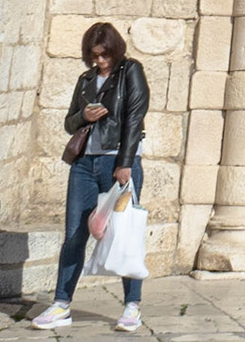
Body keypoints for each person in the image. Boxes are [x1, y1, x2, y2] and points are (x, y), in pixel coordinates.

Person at [32, 22, 150, 331]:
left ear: (115, 50)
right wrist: (84, 116)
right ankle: (61, 305)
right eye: (94, 55)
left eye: (104, 55)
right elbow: (69, 123)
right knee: (74, 234)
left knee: (125, 233)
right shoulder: (85, 80)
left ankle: (131, 307)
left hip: (118, 163)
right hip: (84, 164)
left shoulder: (130, 71)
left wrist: (125, 163)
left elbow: (135, 118)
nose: (99, 61)